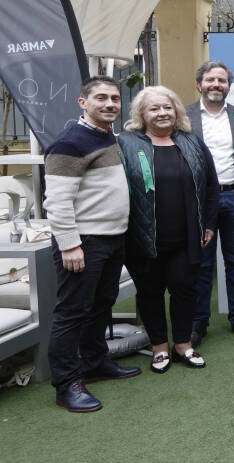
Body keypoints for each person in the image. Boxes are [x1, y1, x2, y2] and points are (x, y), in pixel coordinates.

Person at [44, 76, 139, 412]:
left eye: (115, 98)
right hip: (84, 242)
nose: (111, 103)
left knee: (101, 305)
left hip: (112, 239)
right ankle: (67, 384)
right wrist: (70, 244)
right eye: (101, 98)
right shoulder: (70, 142)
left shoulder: (106, 137)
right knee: (72, 313)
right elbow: (56, 201)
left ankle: (96, 363)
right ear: (83, 103)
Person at [120, 86, 219, 373]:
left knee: (184, 290)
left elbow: (211, 185)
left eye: (167, 107)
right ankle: (159, 348)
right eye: (154, 108)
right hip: (143, 237)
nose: (162, 113)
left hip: (186, 237)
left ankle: (183, 346)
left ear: (176, 110)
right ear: (141, 113)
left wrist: (209, 224)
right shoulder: (126, 143)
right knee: (150, 293)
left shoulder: (191, 142)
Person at [186, 61, 234, 346]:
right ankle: (198, 322)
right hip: (199, 201)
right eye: (211, 80)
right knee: (202, 265)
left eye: (222, 81)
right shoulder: (184, 117)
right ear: (199, 84)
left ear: (229, 85)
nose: (217, 85)